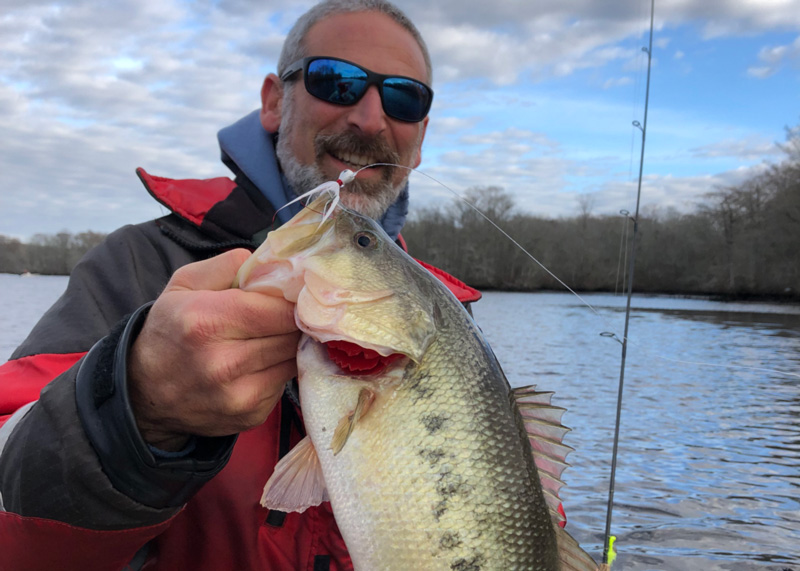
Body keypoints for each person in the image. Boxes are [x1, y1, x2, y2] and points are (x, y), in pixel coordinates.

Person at [0, 1, 479, 569]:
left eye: (404, 98)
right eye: (337, 81)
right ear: (275, 102)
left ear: (420, 138)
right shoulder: (137, 263)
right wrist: (131, 405)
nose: (370, 119)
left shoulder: (449, 320)